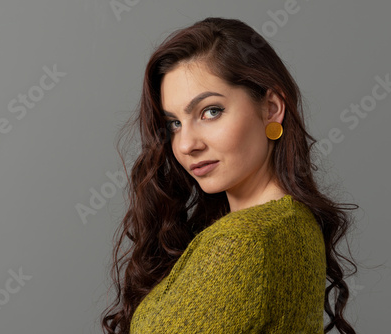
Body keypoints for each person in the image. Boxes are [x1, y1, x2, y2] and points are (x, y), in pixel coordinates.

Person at [101, 17, 359, 333]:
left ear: (272, 108)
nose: (186, 144)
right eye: (174, 124)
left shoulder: (244, 241)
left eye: (211, 111)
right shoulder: (294, 225)